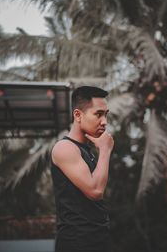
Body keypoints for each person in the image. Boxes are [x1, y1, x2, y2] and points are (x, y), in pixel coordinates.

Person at [50, 86, 114, 252]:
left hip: (98, 239)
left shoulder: (86, 150)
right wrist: (105, 150)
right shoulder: (65, 148)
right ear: (78, 115)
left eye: (106, 114)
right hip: (77, 243)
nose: (105, 122)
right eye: (98, 114)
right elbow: (95, 191)